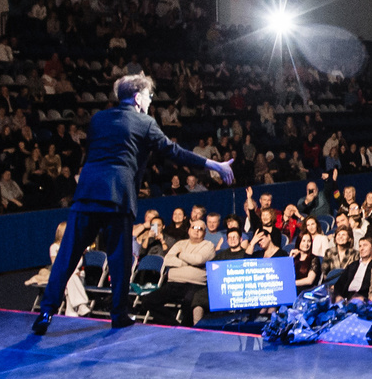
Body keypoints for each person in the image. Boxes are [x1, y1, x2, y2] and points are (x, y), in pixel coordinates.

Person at [33, 73, 232, 334]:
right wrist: (212, 164)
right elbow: (172, 152)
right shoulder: (144, 122)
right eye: (149, 96)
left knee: (67, 256)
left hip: (87, 193)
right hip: (118, 197)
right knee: (120, 258)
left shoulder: (98, 119)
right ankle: (119, 314)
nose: (151, 101)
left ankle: (46, 312)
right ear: (138, 98)